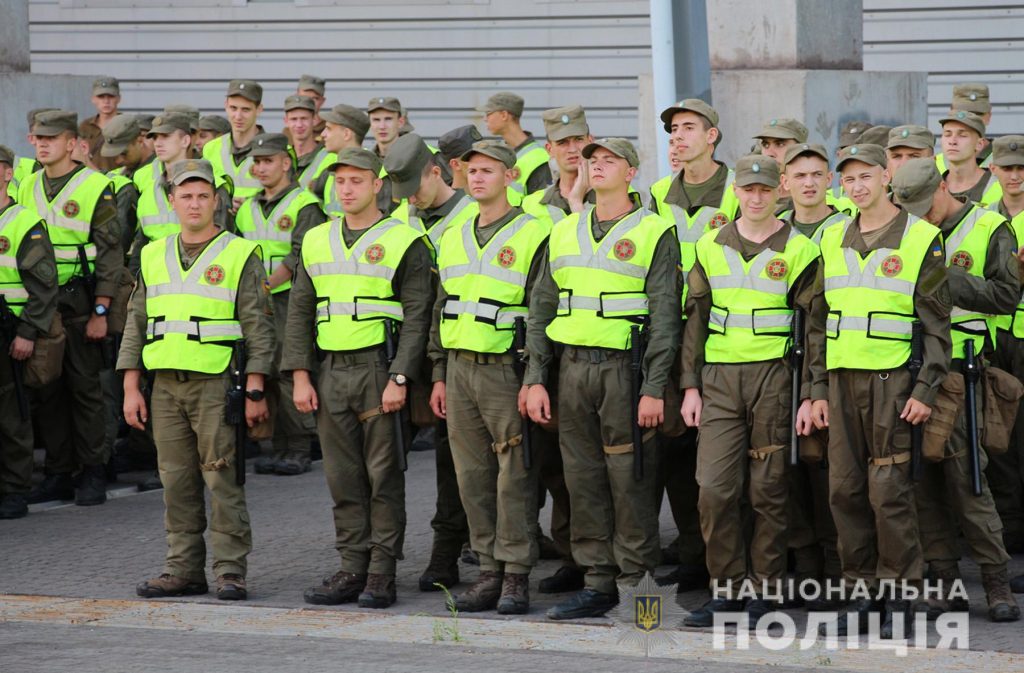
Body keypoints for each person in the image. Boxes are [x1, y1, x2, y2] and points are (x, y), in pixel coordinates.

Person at [525, 138, 681, 620]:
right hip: (572, 369)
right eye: (592, 161)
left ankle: (639, 588)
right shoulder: (565, 231)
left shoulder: (656, 230)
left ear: (631, 172)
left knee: (631, 480)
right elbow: (541, 308)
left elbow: (665, 316)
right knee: (582, 478)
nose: (596, 167)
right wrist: (535, 377)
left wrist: (654, 387)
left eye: (608, 160)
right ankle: (597, 581)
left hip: (624, 371)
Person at [808, 143, 951, 638]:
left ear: (884, 177)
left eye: (865, 176)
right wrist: (816, 389)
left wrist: (927, 389)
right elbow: (817, 322)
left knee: (889, 491)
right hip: (842, 382)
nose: (856, 187)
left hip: (894, 382)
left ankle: (902, 595)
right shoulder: (830, 237)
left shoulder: (922, 238)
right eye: (848, 179)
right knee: (844, 492)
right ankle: (860, 594)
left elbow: (937, 325)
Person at [284, 147, 434, 609]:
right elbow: (300, 311)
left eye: (355, 181)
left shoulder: (404, 239)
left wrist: (401, 377)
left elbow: (417, 316)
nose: (346, 189)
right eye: (340, 181)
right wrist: (300, 376)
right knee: (342, 478)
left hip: (378, 369)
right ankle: (351, 567)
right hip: (331, 371)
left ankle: (382, 572)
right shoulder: (315, 239)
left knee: (383, 476)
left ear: (377, 185)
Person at [120, 158, 273, 601]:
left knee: (221, 477)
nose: (194, 203)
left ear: (216, 201)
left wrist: (256, 389)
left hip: (216, 384)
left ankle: (229, 569)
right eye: (185, 195)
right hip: (165, 384)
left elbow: (259, 327)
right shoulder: (153, 253)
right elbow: (136, 322)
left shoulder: (239, 253)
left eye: (203, 195)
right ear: (171, 201)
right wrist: (131, 386)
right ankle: (182, 569)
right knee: (175, 480)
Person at [678, 154, 819, 628]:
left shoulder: (800, 249)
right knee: (714, 489)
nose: (757, 197)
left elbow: (812, 328)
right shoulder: (710, 245)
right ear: (735, 191)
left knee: (769, 491)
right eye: (748, 189)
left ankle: (766, 588)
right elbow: (694, 319)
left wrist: (808, 392)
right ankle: (727, 589)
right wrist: (690, 386)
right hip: (719, 380)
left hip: (775, 377)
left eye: (764, 189)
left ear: (779, 190)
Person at [891, 158, 1020, 622]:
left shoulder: (990, 227)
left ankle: (996, 582)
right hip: (909, 366)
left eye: (927, 205)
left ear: (944, 186)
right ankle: (943, 581)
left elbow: (1006, 297)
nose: (922, 216)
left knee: (969, 479)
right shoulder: (900, 226)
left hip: (960, 372)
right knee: (921, 481)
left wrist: (941, 276)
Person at [427, 140, 550, 614]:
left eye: (488, 171)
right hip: (459, 369)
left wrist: (534, 376)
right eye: (471, 170)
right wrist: (438, 372)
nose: (478, 178)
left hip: (506, 368)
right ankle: (487, 571)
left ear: (510, 176)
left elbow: (541, 311)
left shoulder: (533, 232)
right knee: (472, 476)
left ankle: (516, 574)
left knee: (513, 475)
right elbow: (442, 307)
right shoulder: (454, 233)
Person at [649, 99, 737, 591]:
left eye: (688, 129)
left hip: (723, 331)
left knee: (722, 456)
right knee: (675, 448)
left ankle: (730, 558)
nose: (678, 138)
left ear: (713, 136)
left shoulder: (738, 190)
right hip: (671, 327)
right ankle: (691, 552)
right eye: (672, 132)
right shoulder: (660, 193)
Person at [17, 110, 124, 507]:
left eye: (51, 138)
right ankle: (60, 471)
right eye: (37, 138)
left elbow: (111, 255)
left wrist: (101, 310)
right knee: (49, 390)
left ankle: (93, 470)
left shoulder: (96, 186)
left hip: (80, 300)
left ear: (71, 143)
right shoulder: (27, 186)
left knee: (85, 389)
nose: (43, 144)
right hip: (39, 303)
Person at [383, 132, 475, 591]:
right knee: (388, 459)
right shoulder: (404, 215)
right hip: (402, 353)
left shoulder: (472, 215)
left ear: (437, 171)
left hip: (451, 354)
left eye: (414, 187)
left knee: (452, 461)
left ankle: (447, 553)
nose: (409, 199)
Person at [235, 133, 324, 475]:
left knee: (290, 367)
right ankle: (278, 445)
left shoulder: (305, 204)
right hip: (258, 299)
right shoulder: (249, 208)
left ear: (286, 163)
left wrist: (267, 285)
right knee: (265, 367)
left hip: (288, 297)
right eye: (256, 162)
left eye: (268, 161)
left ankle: (299, 446)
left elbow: (300, 253)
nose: (260, 168)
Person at [0, 145, 58, 519]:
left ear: (7, 174)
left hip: (8, 330)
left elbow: (43, 287)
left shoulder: (24, 222)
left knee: (11, 415)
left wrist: (28, 332)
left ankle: (14, 489)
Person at [987, 136, 1024, 568]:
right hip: (994, 341)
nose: (1015, 176)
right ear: (992, 170)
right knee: (1000, 441)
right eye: (1007, 167)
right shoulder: (984, 220)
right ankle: (1009, 535)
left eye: (1021, 168)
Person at [203, 80, 265, 205]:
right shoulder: (210, 149)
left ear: (259, 109)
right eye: (233, 108)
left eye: (246, 110)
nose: (238, 116)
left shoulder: (276, 151)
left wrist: (249, 205)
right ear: (225, 105)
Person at [479, 92, 552, 197]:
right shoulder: (501, 154)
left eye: (488, 113)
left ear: (504, 115)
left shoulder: (538, 158)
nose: (485, 119)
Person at [939, 111, 1001, 207]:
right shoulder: (931, 188)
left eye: (962, 135)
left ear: (979, 144)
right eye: (948, 134)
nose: (952, 141)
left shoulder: (999, 186)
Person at [936, 83, 994, 172]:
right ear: (950, 112)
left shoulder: (1007, 161)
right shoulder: (935, 163)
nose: (971, 120)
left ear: (989, 116)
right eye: (963, 114)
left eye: (978, 114)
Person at [283, 95, 333, 190]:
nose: (299, 125)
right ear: (286, 121)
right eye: (294, 119)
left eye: (304, 119)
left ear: (314, 120)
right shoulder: (281, 157)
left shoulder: (329, 158)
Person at [437, 125, 483, 192]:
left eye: (484, 152)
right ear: (456, 164)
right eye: (474, 155)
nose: (484, 159)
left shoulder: (497, 191)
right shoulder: (450, 201)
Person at [79, 77, 121, 142]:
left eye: (111, 96)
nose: (106, 101)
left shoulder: (128, 125)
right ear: (93, 99)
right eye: (101, 97)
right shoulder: (85, 127)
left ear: (118, 99)